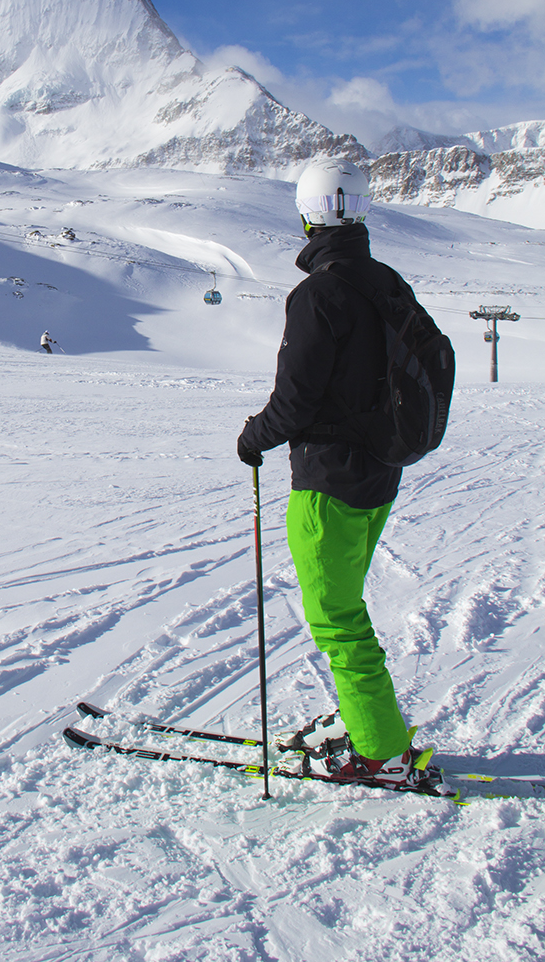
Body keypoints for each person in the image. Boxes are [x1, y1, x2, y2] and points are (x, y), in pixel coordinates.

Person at [236, 157, 423, 787]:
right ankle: (370, 723)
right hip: (380, 474)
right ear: (362, 211)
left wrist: (252, 438)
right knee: (346, 606)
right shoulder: (386, 282)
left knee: (337, 619)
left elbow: (296, 401)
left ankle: (382, 754)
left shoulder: (319, 293)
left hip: (328, 482)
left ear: (304, 216)